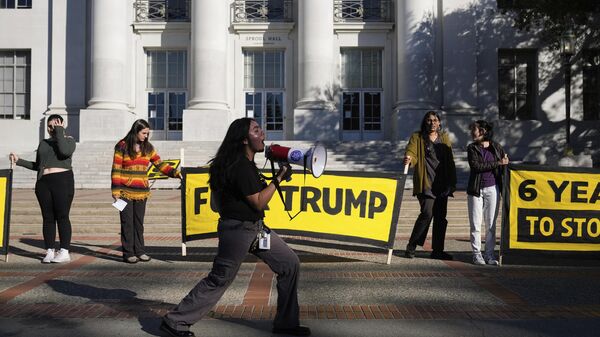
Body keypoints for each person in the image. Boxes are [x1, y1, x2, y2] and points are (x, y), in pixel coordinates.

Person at [161, 118, 310, 337]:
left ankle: (286, 323)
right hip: (239, 231)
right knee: (220, 278)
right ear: (243, 139)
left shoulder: (239, 163)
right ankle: (175, 321)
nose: (263, 135)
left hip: (254, 228)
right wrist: (278, 178)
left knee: (289, 263)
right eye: (257, 130)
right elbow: (259, 201)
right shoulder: (239, 166)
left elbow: (218, 202)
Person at [111, 119, 180, 264]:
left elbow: (159, 164)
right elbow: (116, 169)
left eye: (148, 133)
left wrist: (174, 172)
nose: (146, 136)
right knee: (127, 223)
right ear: (135, 131)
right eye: (143, 133)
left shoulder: (148, 147)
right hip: (124, 192)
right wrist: (116, 191)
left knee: (138, 223)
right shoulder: (122, 146)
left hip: (142, 191)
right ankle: (128, 252)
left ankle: (140, 251)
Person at [9, 114, 76, 263]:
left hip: (62, 181)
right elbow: (38, 165)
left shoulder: (69, 141)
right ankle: (50, 250)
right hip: (43, 182)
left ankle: (64, 251)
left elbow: (64, 151)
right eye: (50, 126)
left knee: (62, 216)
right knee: (48, 218)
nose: (52, 129)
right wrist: (19, 160)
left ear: (62, 125)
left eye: (55, 125)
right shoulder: (44, 143)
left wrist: (60, 132)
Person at [403, 111, 457, 260]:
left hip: (442, 184)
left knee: (441, 217)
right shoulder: (417, 137)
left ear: (439, 123)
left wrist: (452, 182)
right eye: (429, 120)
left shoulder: (444, 138)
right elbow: (411, 151)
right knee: (427, 213)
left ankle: (437, 250)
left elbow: (450, 161)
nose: (432, 123)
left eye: (435, 120)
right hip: (426, 182)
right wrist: (409, 158)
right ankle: (411, 246)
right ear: (424, 123)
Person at [466, 120, 509, 266]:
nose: (472, 133)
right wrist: (498, 163)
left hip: (493, 189)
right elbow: (476, 166)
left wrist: (505, 163)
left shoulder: (496, 147)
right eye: (472, 130)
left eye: (474, 130)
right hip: (476, 190)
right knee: (476, 224)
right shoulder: (472, 148)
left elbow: (504, 165)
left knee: (491, 224)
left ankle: (489, 254)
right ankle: (476, 254)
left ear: (483, 131)